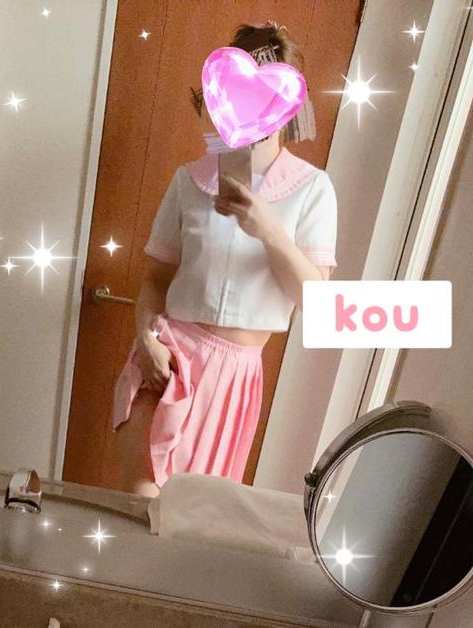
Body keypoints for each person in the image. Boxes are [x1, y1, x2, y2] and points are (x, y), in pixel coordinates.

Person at [112, 21, 338, 498]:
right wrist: (145, 339)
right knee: (142, 506)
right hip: (168, 361)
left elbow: (318, 304)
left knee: (193, 521)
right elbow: (155, 280)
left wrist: (268, 230)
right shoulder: (189, 181)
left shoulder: (313, 190)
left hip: (235, 382)